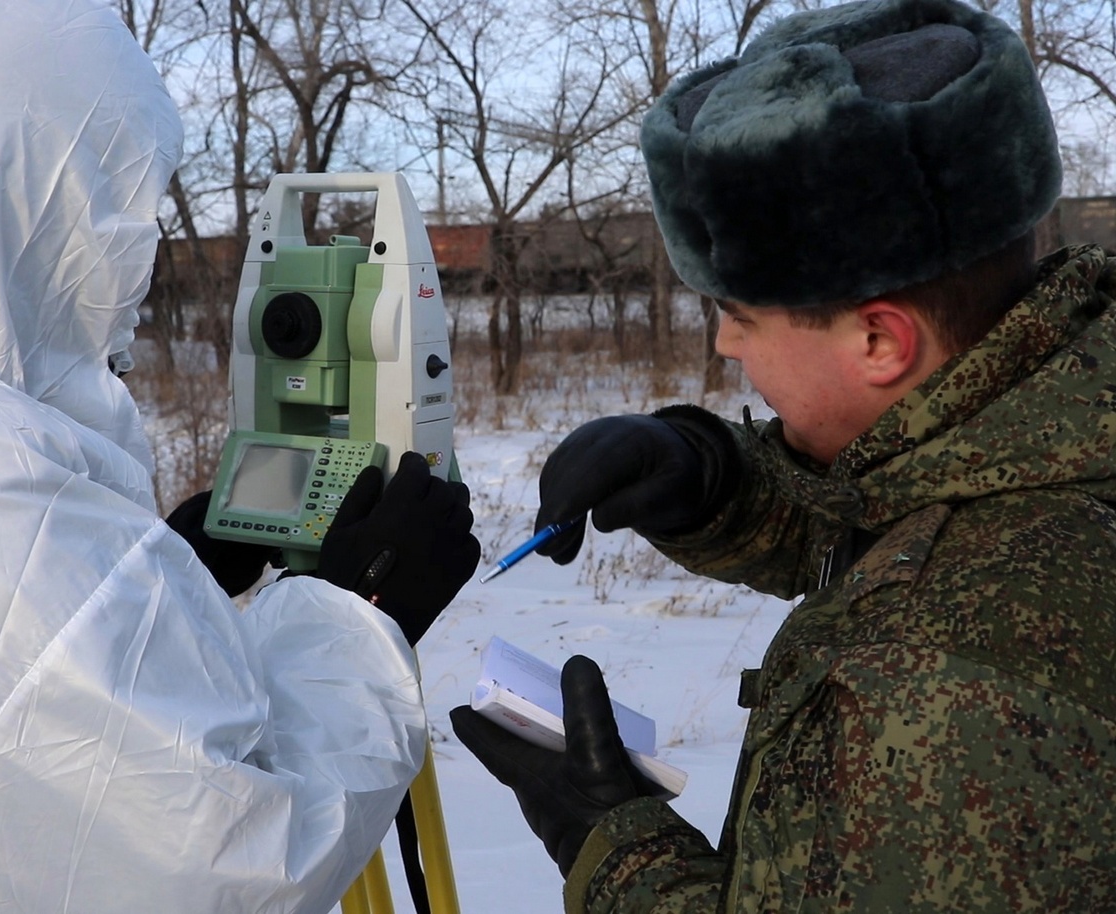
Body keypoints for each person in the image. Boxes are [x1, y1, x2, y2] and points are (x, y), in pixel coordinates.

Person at [450, 0, 1116, 910]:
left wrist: (611, 845)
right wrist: (708, 480)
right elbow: (915, 511)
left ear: (881, 342)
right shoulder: (1064, 404)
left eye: (742, 315)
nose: (727, 347)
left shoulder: (936, 690)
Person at [0, 0, 479, 911]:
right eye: (117, 200)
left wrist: (151, 579)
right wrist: (355, 620)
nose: (132, 243)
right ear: (33, 195)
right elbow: (234, 861)